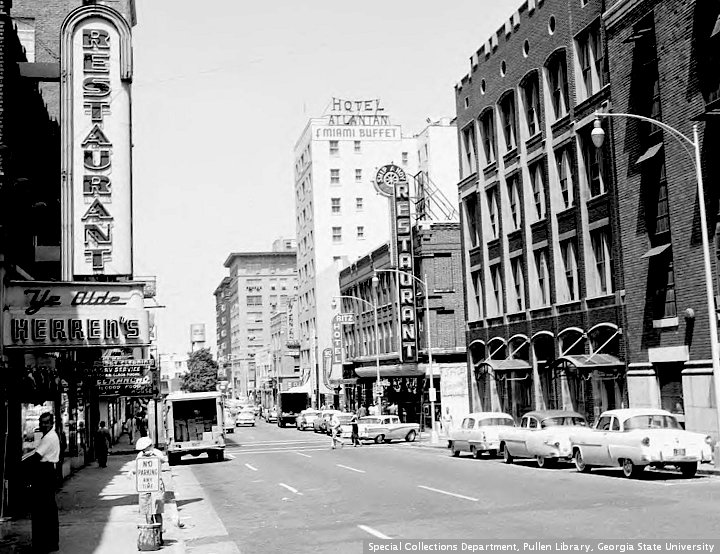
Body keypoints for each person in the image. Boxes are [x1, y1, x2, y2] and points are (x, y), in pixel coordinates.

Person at [24, 412, 60, 553]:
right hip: (49, 472)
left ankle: (43, 544)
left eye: (46, 422)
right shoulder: (50, 436)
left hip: (45, 473)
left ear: (51, 423)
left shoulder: (49, 438)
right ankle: (51, 542)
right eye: (41, 422)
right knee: (49, 509)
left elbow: (36, 457)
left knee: (42, 510)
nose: (43, 425)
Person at [135, 437, 168, 539]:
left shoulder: (157, 453)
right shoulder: (140, 455)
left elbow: (164, 460)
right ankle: (152, 535)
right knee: (147, 512)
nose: (144, 451)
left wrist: (153, 455)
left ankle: (159, 534)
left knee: (157, 511)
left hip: (157, 485)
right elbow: (138, 467)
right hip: (145, 486)